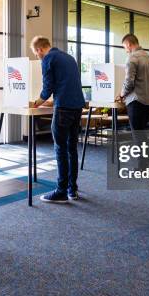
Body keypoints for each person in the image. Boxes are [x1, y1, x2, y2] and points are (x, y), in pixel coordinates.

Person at [32, 36, 85, 203]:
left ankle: (61, 191)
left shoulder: (48, 59)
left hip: (63, 109)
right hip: (77, 107)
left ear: (40, 49)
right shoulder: (68, 57)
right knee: (71, 148)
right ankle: (72, 190)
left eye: (36, 53)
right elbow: (66, 85)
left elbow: (47, 88)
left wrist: (36, 103)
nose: (37, 56)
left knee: (60, 148)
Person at [115, 34, 149, 131]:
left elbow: (129, 81)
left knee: (138, 136)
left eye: (125, 47)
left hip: (137, 102)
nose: (126, 50)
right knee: (141, 134)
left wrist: (121, 94)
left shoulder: (132, 58)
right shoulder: (148, 57)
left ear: (129, 44)